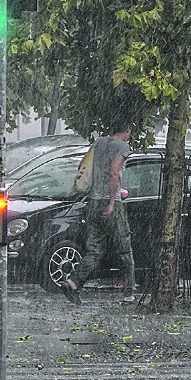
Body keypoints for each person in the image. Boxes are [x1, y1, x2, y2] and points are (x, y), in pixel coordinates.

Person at [61, 120, 135, 304]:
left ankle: (73, 282)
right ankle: (128, 294)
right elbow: (114, 173)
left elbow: (84, 165)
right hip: (111, 202)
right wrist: (111, 203)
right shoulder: (122, 146)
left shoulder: (99, 143)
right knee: (125, 249)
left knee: (94, 250)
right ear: (126, 130)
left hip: (92, 202)